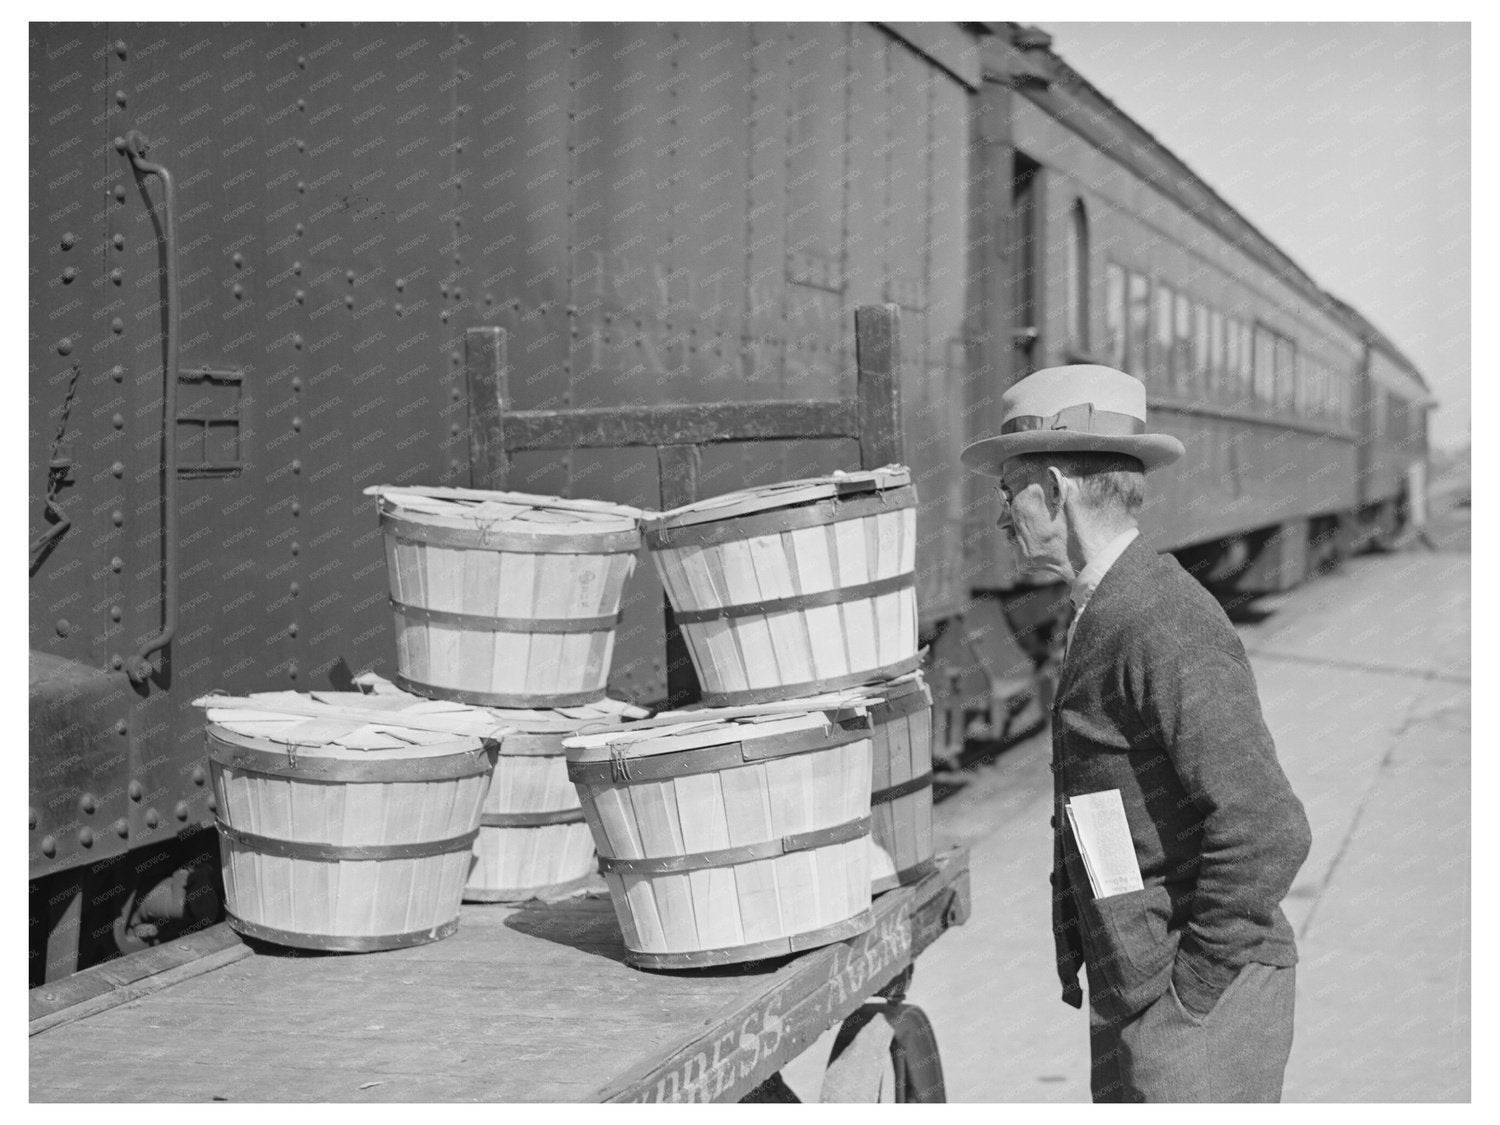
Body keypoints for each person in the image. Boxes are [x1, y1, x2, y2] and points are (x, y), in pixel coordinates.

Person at [961, 364, 1312, 1102]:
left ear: (1054, 491)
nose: (1001, 518)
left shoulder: (1161, 617)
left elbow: (1267, 826)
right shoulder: (1108, 604)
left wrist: (1191, 992)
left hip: (1196, 1003)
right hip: (1140, 978)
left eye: (1007, 494)